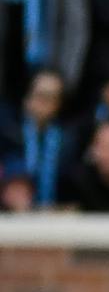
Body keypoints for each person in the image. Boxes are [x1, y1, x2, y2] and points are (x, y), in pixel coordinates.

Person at [1, 67, 72, 210]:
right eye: (41, 95)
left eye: (53, 97)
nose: (46, 103)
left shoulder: (68, 139)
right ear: (27, 97)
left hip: (53, 216)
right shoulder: (5, 132)